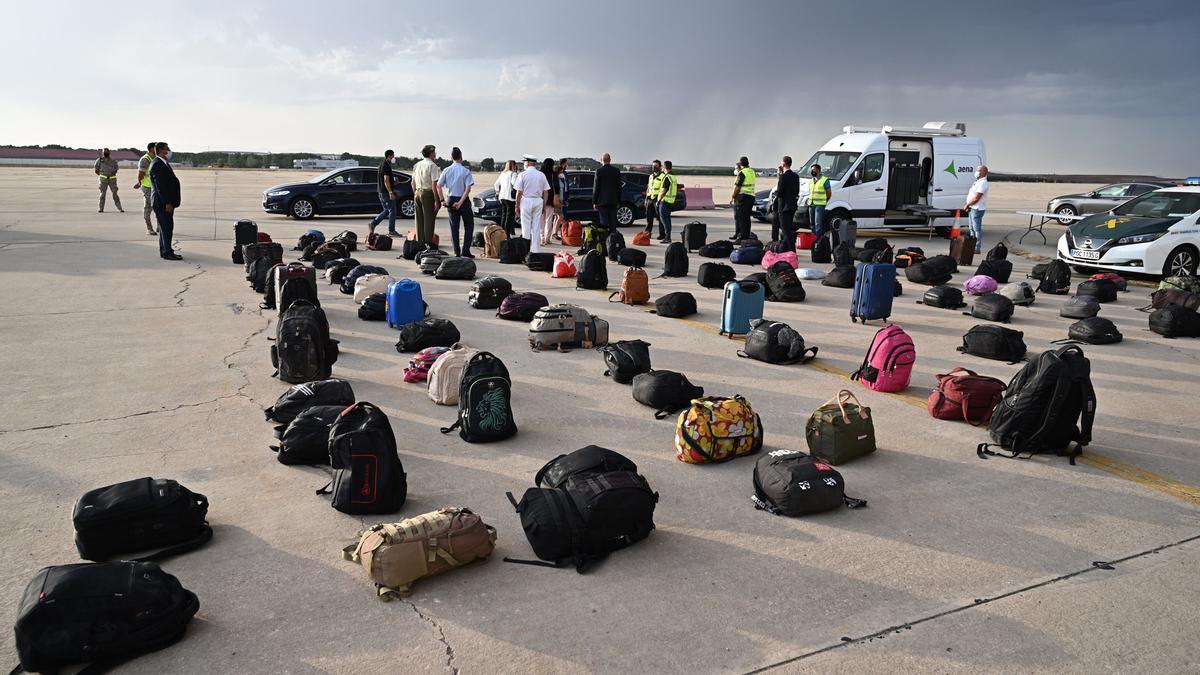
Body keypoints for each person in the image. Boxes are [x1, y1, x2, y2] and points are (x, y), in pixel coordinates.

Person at [437, 147, 476, 257]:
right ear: (461, 157)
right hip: (463, 200)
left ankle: (456, 252)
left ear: (451, 158)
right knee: (469, 225)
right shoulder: (465, 171)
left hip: (450, 199)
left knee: (454, 227)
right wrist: (460, 202)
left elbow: (438, 186)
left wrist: (442, 200)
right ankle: (465, 251)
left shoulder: (446, 170)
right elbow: (468, 189)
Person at [148, 141, 182, 261]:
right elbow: (160, 186)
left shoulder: (163, 163)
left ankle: (165, 250)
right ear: (161, 150)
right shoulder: (157, 164)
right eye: (166, 149)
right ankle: (167, 252)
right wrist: (167, 202)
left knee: (165, 228)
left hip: (164, 202)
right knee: (167, 228)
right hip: (162, 203)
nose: (168, 151)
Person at [513, 154, 550, 252]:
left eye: (524, 162)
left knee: (526, 227)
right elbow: (546, 192)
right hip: (538, 200)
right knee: (536, 227)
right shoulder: (541, 175)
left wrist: (517, 205)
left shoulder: (522, 175)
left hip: (526, 200)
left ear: (528, 162)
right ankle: (535, 250)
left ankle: (525, 250)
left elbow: (519, 192)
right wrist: (544, 205)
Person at [412, 144, 441, 243]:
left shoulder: (417, 165)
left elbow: (413, 182)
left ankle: (419, 243)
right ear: (431, 153)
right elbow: (434, 185)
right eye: (434, 153)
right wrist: (437, 200)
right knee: (429, 221)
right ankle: (427, 244)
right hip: (428, 193)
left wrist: (415, 193)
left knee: (419, 221)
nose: (435, 154)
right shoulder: (433, 166)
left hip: (417, 192)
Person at [369, 149, 400, 237]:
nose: (394, 158)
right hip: (386, 193)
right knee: (392, 211)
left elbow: (386, 181)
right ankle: (391, 230)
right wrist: (391, 192)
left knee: (387, 211)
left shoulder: (382, 165)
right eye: (393, 156)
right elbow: (386, 181)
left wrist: (394, 183)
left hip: (381, 192)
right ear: (389, 156)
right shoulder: (386, 166)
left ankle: (373, 224)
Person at [774, 156, 799, 249]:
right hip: (792, 205)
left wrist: (776, 192)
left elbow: (780, 192)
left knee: (785, 230)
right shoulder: (796, 176)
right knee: (788, 228)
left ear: (783, 164)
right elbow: (797, 191)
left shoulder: (783, 177)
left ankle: (791, 250)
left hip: (784, 207)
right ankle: (787, 248)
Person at [593, 152, 622, 232]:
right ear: (610, 160)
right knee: (613, 222)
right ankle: (612, 240)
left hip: (602, 202)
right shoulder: (616, 171)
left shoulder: (599, 171)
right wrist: (618, 201)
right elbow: (619, 188)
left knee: (604, 223)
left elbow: (596, 188)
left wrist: (594, 202)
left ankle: (605, 240)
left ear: (602, 160)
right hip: (613, 201)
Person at [964, 164, 989, 254]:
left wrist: (967, 205)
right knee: (971, 228)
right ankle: (971, 245)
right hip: (973, 207)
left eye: (979, 170)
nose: (977, 172)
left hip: (977, 208)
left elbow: (977, 198)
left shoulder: (983, 183)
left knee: (976, 229)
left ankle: (977, 247)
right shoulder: (978, 181)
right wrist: (969, 205)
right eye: (977, 170)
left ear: (984, 172)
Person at [132, 142, 156, 235]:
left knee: (158, 207)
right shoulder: (145, 159)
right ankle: (149, 228)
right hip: (148, 187)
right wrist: (139, 182)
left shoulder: (156, 158)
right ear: (151, 149)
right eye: (155, 148)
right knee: (149, 207)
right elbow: (141, 174)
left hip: (156, 187)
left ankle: (159, 227)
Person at [730, 156, 756, 240]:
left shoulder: (742, 173)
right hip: (751, 196)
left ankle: (742, 237)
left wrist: (733, 196)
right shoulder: (752, 171)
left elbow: (738, 187)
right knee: (746, 218)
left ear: (741, 164)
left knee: (741, 218)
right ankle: (744, 235)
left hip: (743, 197)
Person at [94, 148, 123, 213]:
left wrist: (112, 173)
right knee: (102, 194)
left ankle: (120, 208)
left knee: (115, 194)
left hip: (112, 179)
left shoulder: (113, 161)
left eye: (107, 152)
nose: (106, 153)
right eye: (105, 152)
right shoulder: (99, 161)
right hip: (103, 180)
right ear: (103, 153)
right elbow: (96, 170)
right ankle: (101, 208)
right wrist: (102, 175)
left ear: (109, 153)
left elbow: (116, 169)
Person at [656, 161, 678, 242]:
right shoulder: (673, 177)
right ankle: (668, 236)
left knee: (664, 220)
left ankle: (667, 237)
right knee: (667, 220)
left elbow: (663, 190)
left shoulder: (667, 177)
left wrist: (658, 201)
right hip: (671, 201)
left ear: (664, 167)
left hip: (664, 201)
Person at [494, 160, 518, 236]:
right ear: (513, 165)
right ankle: (507, 235)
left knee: (504, 216)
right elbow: (514, 184)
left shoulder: (502, 174)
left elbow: (496, 184)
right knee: (509, 217)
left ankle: (502, 234)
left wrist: (498, 192)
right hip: (510, 197)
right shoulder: (513, 174)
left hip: (502, 197)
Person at [808, 163, 832, 238]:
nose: (812, 172)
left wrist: (824, 201)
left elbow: (829, 193)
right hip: (811, 204)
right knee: (812, 224)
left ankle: (819, 241)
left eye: (813, 170)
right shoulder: (811, 180)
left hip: (820, 205)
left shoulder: (825, 180)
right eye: (811, 170)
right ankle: (813, 239)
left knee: (818, 224)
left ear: (818, 170)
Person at [539, 158, 559, 246]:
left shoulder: (539, 174)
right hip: (550, 199)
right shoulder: (553, 174)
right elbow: (556, 187)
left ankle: (541, 238)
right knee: (549, 219)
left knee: (541, 220)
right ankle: (547, 239)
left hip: (540, 198)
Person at [643, 159, 663, 238]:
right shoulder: (651, 176)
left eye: (656, 166)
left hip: (657, 199)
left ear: (660, 167)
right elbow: (648, 187)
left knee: (660, 218)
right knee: (649, 217)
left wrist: (659, 199)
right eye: (653, 166)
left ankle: (662, 234)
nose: (654, 167)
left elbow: (663, 189)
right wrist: (646, 199)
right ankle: (648, 233)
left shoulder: (662, 176)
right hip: (650, 199)